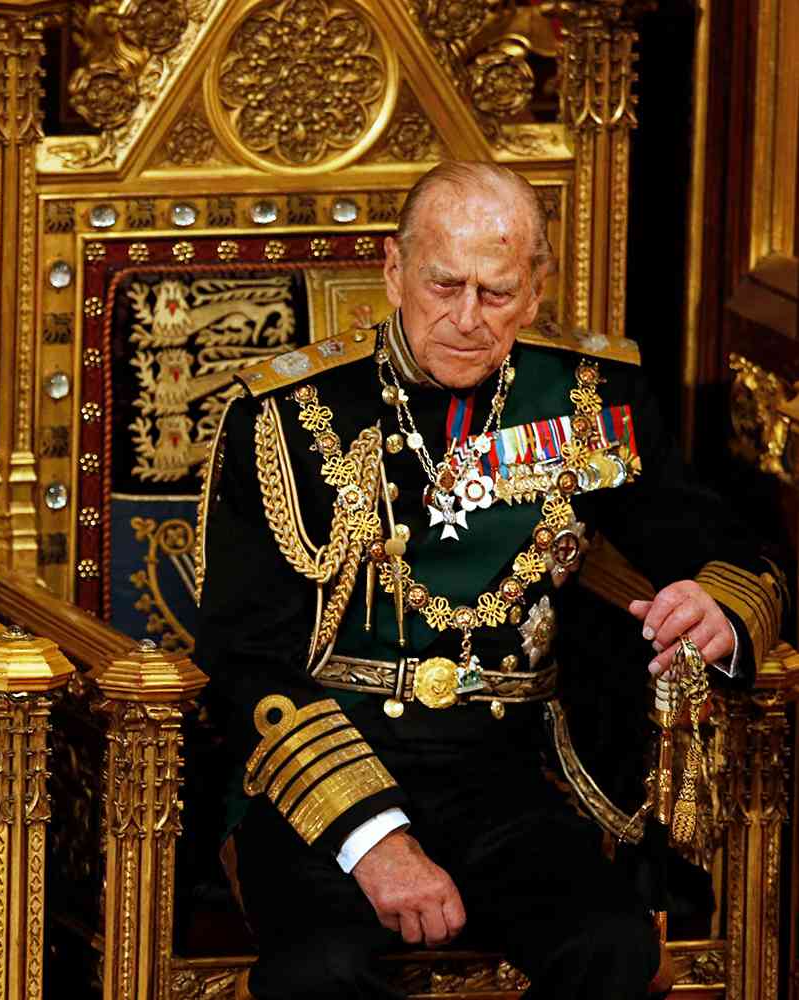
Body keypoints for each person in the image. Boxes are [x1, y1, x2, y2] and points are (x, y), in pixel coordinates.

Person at [194, 160, 785, 999]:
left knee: (613, 946)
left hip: (506, 769)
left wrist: (716, 606)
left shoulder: (584, 397)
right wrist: (376, 841)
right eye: (444, 285)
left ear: (536, 290)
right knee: (320, 972)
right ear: (394, 271)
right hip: (326, 769)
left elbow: (722, 546)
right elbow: (243, 655)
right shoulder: (285, 415)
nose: (467, 319)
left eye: (497, 292)